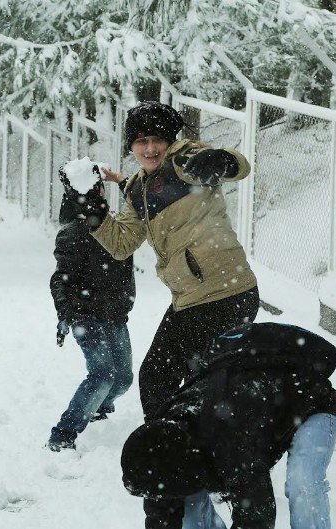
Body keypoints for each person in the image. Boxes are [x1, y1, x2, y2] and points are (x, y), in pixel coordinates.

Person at [85, 101, 259, 420]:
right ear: (132, 146)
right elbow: (123, 243)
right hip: (189, 300)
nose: (150, 148)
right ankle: (169, 445)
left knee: (205, 388)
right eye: (141, 141)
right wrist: (93, 212)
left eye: (157, 139)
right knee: (156, 378)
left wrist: (219, 160)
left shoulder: (183, 157)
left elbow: (239, 166)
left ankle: (196, 452)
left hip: (225, 295)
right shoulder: (137, 188)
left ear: (170, 140)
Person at [121, 322, 336, 529]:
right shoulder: (159, 449)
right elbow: (160, 512)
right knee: (186, 508)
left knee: (303, 483)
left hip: (311, 404)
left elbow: (256, 517)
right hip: (248, 412)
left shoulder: (232, 445)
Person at [46, 174, 136, 452]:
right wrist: (66, 313)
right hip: (86, 315)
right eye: (93, 190)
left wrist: (122, 180)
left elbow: (143, 207)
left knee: (123, 378)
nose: (100, 194)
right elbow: (60, 278)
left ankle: (97, 408)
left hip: (116, 314)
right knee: (103, 374)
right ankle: (62, 436)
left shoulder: (116, 225)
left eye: (100, 189)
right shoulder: (73, 232)